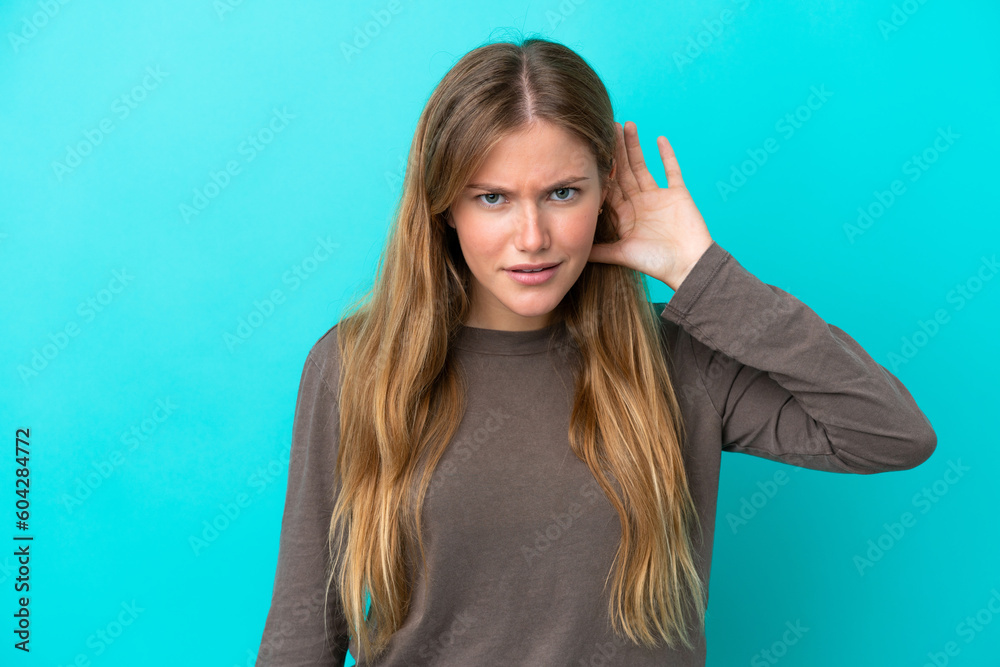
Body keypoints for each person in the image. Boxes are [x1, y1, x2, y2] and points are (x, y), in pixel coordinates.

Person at [254, 37, 937, 666]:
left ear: (605, 193)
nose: (532, 235)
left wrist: (705, 274)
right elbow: (303, 626)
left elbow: (890, 433)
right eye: (491, 197)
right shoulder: (358, 365)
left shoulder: (680, 358)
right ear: (444, 207)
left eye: (562, 193)